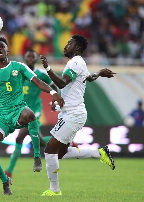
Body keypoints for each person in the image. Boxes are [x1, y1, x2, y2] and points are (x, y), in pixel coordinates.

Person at [0, 37, 64, 195]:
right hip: (2, 115)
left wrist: (52, 93)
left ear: (7, 51)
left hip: (19, 110)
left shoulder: (18, 67)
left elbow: (37, 81)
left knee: (30, 115)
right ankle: (5, 180)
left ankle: (37, 156)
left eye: (2, 47)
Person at [40, 34, 116, 196]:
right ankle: (98, 152)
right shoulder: (79, 63)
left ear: (78, 48)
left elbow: (62, 82)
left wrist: (47, 68)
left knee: (49, 150)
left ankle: (55, 190)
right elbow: (89, 78)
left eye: (70, 43)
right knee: (61, 153)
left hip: (73, 115)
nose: (66, 45)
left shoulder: (75, 62)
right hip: (71, 114)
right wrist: (99, 73)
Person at [0, 49, 58, 179]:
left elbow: (54, 87)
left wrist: (54, 100)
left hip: (35, 110)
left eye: (32, 57)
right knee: (40, 141)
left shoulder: (40, 74)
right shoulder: (18, 73)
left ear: (35, 59)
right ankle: (62, 140)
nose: (30, 59)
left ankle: (9, 171)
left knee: (20, 138)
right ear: (25, 59)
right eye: (27, 57)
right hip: (22, 110)